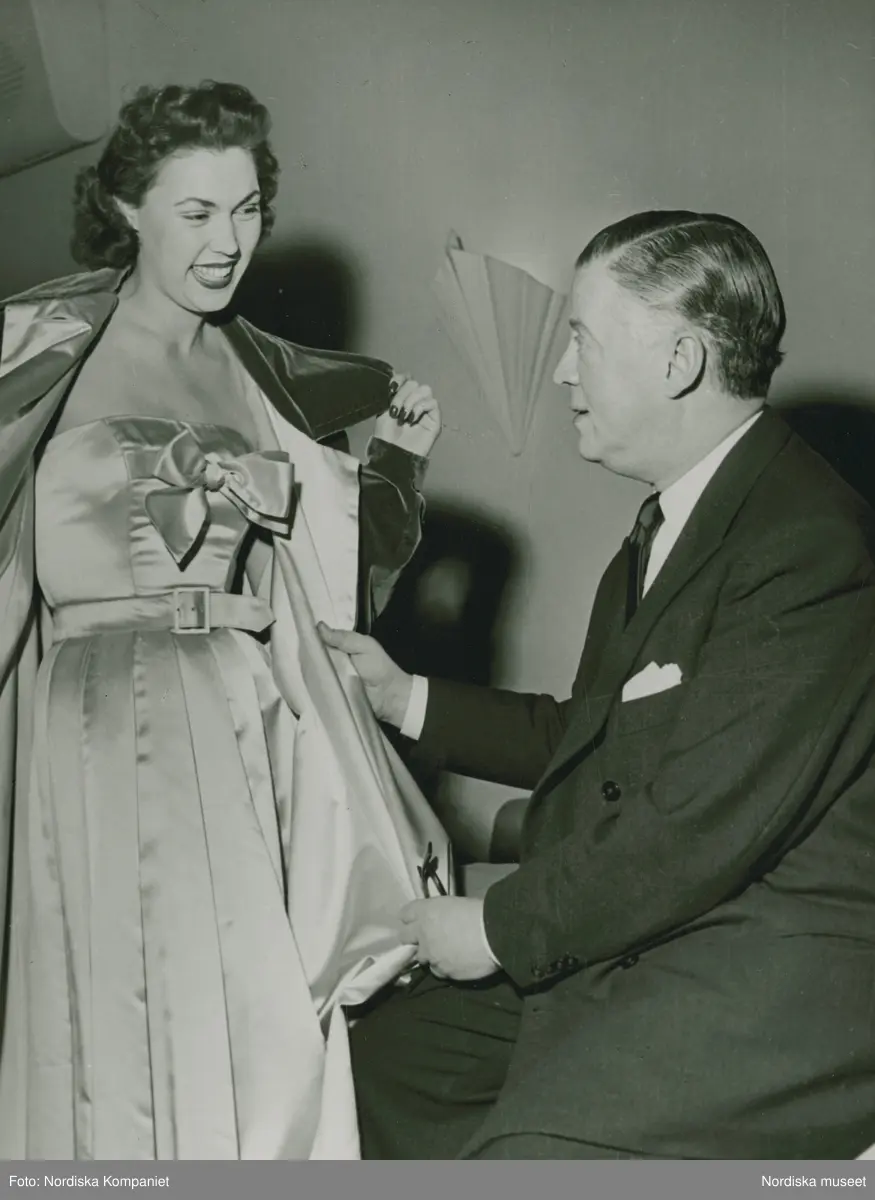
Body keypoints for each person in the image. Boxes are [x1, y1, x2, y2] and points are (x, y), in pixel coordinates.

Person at [321, 210, 875, 1159]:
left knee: (530, 1155)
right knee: (373, 1064)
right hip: (658, 929)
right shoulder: (675, 523)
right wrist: (403, 695)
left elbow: (698, 822)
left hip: (759, 970)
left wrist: (498, 928)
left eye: (581, 338)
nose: (562, 372)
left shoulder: (805, 544)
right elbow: (602, 739)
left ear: (678, 361)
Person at [0, 80, 450, 1160]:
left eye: (246, 210)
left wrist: (398, 460)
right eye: (197, 212)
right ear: (126, 209)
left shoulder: (257, 374)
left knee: (265, 1024)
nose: (228, 242)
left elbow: (325, 581)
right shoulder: (36, 347)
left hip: (241, 710)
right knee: (116, 1021)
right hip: (96, 720)